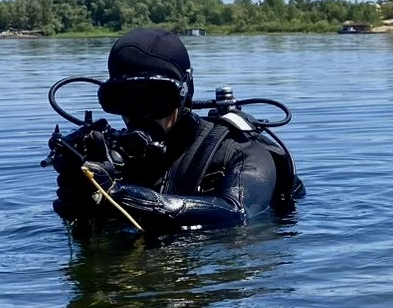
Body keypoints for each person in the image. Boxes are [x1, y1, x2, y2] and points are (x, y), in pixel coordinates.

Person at [50, 27, 304, 234]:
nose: (140, 114)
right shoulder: (117, 161)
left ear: (185, 92)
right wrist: (83, 203)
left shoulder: (241, 150)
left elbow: (237, 212)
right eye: (124, 99)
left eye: (157, 99)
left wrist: (118, 194)